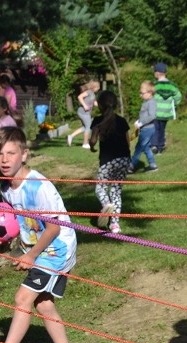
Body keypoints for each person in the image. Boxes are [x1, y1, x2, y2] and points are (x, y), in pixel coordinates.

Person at [0, 127, 79, 343]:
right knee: (43, 304)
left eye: (11, 153)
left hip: (57, 248)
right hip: (41, 248)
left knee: (23, 298)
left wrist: (32, 255)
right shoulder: (6, 188)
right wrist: (2, 241)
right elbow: (15, 223)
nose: (5, 159)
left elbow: (54, 226)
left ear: (25, 154)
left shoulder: (37, 186)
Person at [89, 90, 130, 234]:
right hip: (124, 159)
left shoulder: (98, 121)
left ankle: (107, 206)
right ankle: (115, 225)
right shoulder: (122, 121)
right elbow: (127, 141)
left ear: (100, 105)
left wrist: (92, 145)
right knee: (116, 191)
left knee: (100, 188)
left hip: (108, 161)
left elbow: (93, 140)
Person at [151, 62, 182, 154]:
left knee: (155, 128)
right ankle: (160, 147)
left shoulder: (155, 85)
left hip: (156, 112)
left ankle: (154, 145)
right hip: (166, 112)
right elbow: (178, 96)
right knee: (162, 129)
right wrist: (174, 104)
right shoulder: (172, 86)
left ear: (157, 73)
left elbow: (150, 96)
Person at [129, 81, 159, 173]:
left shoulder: (151, 102)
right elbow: (145, 115)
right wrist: (139, 121)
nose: (140, 95)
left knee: (139, 147)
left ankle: (131, 166)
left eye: (142, 93)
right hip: (145, 128)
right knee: (146, 147)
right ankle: (153, 165)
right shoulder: (147, 102)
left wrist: (141, 122)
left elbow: (152, 116)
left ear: (149, 93)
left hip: (148, 129)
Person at [67, 80, 99, 149]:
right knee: (89, 127)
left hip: (85, 113)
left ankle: (71, 136)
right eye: (98, 87)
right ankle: (85, 144)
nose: (98, 89)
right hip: (83, 112)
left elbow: (95, 103)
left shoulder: (93, 94)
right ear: (94, 87)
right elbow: (79, 97)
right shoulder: (89, 92)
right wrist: (84, 105)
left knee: (85, 127)